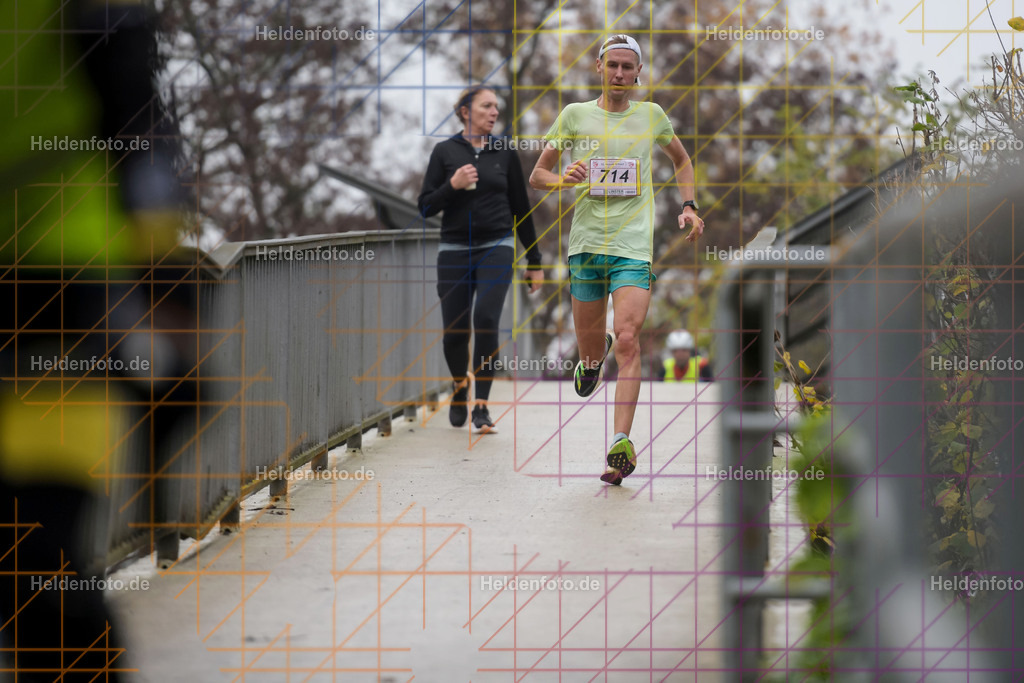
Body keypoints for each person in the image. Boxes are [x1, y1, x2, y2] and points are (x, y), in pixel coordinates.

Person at [529, 34, 705, 484]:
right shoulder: (574, 116)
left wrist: (689, 206)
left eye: (629, 67)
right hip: (586, 246)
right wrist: (564, 178)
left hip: (632, 246)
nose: (621, 74)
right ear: (599, 67)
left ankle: (619, 447)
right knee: (593, 350)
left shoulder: (652, 116)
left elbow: (682, 161)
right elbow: (537, 176)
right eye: (614, 66)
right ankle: (591, 359)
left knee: (628, 339)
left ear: (639, 72)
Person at [418, 86, 544, 434]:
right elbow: (426, 206)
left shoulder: (504, 151)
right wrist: (452, 185)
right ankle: (460, 387)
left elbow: (522, 208)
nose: (493, 112)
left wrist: (534, 261)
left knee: (487, 317)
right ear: (464, 111)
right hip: (455, 251)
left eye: (496, 107)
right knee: (454, 332)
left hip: (497, 246)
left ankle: (482, 406)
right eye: (486, 106)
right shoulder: (445, 152)